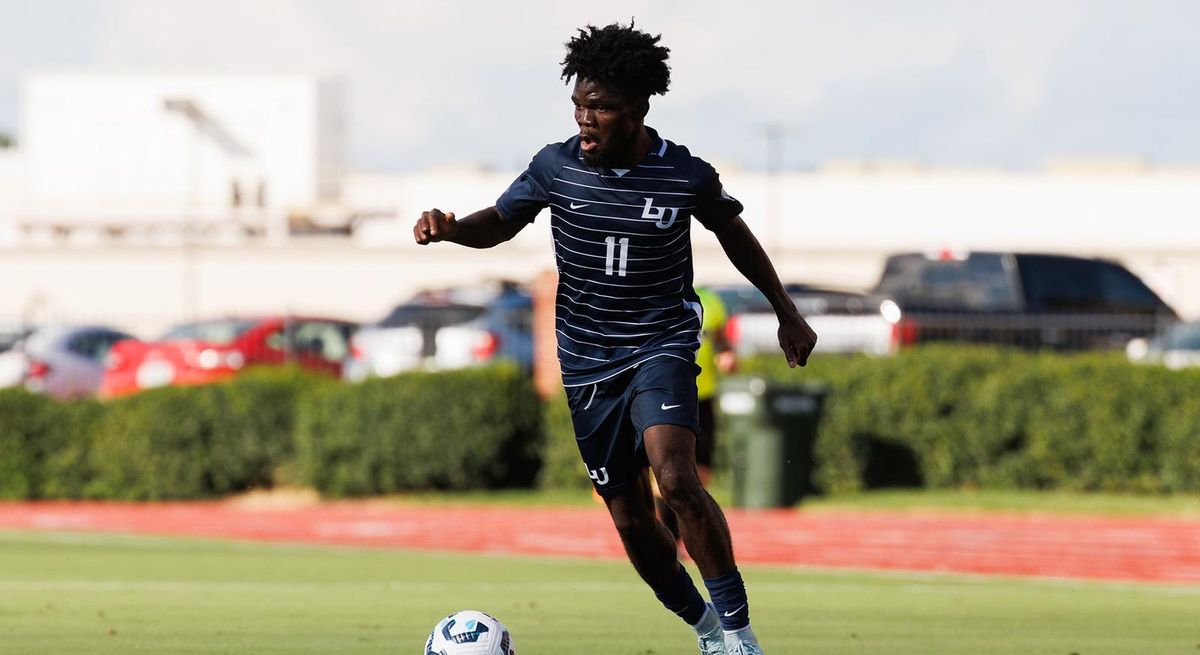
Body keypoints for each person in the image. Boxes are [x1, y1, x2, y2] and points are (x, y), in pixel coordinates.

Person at [413, 22, 817, 655]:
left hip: (661, 343)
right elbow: (499, 223)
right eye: (578, 103)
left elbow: (734, 234)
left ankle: (739, 637)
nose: (584, 117)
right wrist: (452, 226)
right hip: (585, 361)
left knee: (677, 479)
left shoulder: (684, 173)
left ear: (638, 106)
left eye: (598, 106)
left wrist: (785, 311)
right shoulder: (554, 167)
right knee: (629, 519)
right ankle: (706, 630)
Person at [655, 286, 735, 544]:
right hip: (671, 394)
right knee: (667, 471)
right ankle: (671, 536)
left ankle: (684, 532)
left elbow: (722, 342)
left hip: (704, 397)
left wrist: (727, 357)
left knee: (701, 473)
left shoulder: (711, 301)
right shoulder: (659, 294)